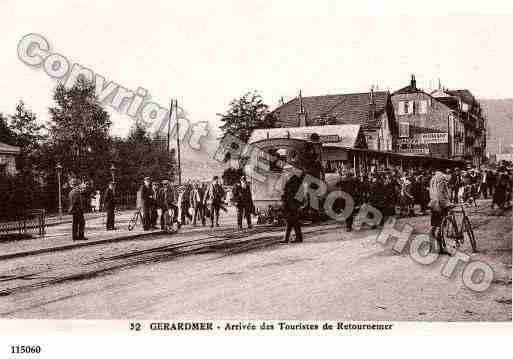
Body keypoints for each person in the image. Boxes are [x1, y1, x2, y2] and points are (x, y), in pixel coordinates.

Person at [428, 170, 451, 255]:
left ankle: (431, 247)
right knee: (440, 227)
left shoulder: (433, 179)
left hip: (433, 204)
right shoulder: (441, 180)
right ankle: (441, 248)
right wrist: (447, 204)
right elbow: (440, 195)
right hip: (440, 206)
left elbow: (432, 193)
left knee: (434, 226)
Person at [280, 168, 305, 243]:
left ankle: (293, 238)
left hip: (292, 204)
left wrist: (286, 201)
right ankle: (291, 238)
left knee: (292, 221)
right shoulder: (293, 180)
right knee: (291, 222)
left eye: (286, 172)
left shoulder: (294, 181)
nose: (285, 173)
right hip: (292, 204)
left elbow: (291, 193)